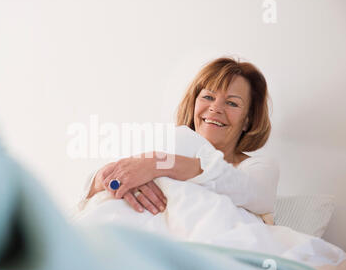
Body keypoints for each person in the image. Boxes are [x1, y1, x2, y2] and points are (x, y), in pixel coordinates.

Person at [77, 57, 279, 224]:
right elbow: (96, 193)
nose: (216, 108)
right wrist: (105, 178)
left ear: (247, 121)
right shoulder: (170, 142)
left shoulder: (257, 166)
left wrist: (158, 164)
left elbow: (258, 196)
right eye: (208, 97)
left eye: (232, 103)